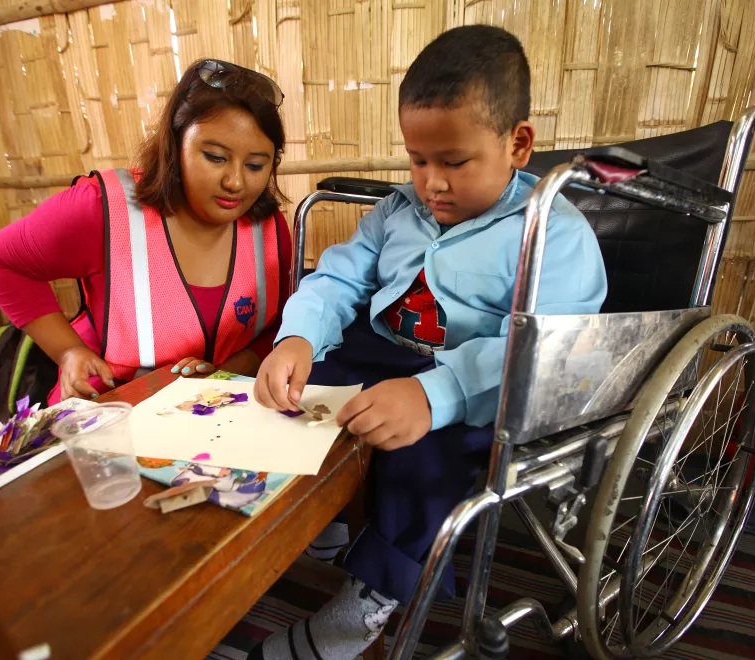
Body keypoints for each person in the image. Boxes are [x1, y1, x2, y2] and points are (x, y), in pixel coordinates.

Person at [251, 25, 607, 660]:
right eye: (418, 160)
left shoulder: (556, 233)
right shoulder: (397, 211)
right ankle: (327, 517)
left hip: (481, 381)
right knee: (304, 388)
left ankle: (367, 603)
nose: (431, 183)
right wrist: (298, 336)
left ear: (518, 143)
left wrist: (436, 395)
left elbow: (548, 349)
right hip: (385, 346)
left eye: (453, 161)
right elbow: (339, 278)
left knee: (426, 452)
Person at [0, 59, 292, 404]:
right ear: (175, 143)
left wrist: (223, 373)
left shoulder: (270, 230)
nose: (235, 182)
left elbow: (279, 328)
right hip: (107, 411)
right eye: (215, 157)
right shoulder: (101, 208)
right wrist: (68, 351)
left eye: (255, 165)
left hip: (212, 413)